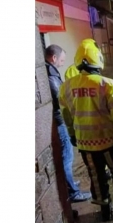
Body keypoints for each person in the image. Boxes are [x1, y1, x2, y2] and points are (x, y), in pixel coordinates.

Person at [59, 42, 113, 221]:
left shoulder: (66, 87)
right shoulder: (107, 84)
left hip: (86, 144)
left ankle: (105, 212)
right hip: (110, 141)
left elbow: (66, 115)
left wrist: (73, 135)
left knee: (96, 176)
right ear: (98, 60)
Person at [44, 45, 92, 203]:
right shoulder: (50, 75)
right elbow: (60, 97)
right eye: (61, 60)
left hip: (59, 120)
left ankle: (69, 183)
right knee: (67, 157)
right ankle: (72, 192)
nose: (63, 63)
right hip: (60, 121)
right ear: (54, 58)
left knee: (66, 156)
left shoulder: (49, 72)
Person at [64, 39, 113, 182]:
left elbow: (67, 108)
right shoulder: (105, 83)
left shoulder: (69, 74)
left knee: (94, 169)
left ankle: (102, 195)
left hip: (83, 131)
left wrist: (72, 133)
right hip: (102, 131)